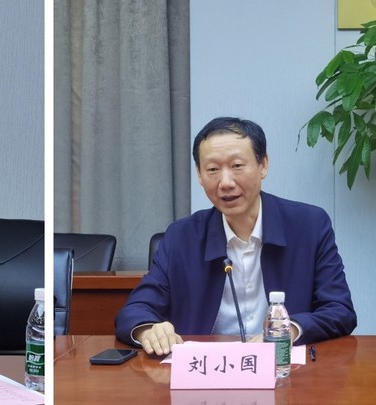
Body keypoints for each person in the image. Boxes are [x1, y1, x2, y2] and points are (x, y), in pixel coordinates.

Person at [115, 116, 357, 355]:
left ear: (263, 165)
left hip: (286, 369)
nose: (226, 182)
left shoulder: (309, 225)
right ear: (199, 175)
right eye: (212, 169)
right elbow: (135, 310)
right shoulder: (181, 237)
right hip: (206, 370)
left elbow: (340, 310)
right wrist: (149, 330)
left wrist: (289, 330)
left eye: (237, 166)